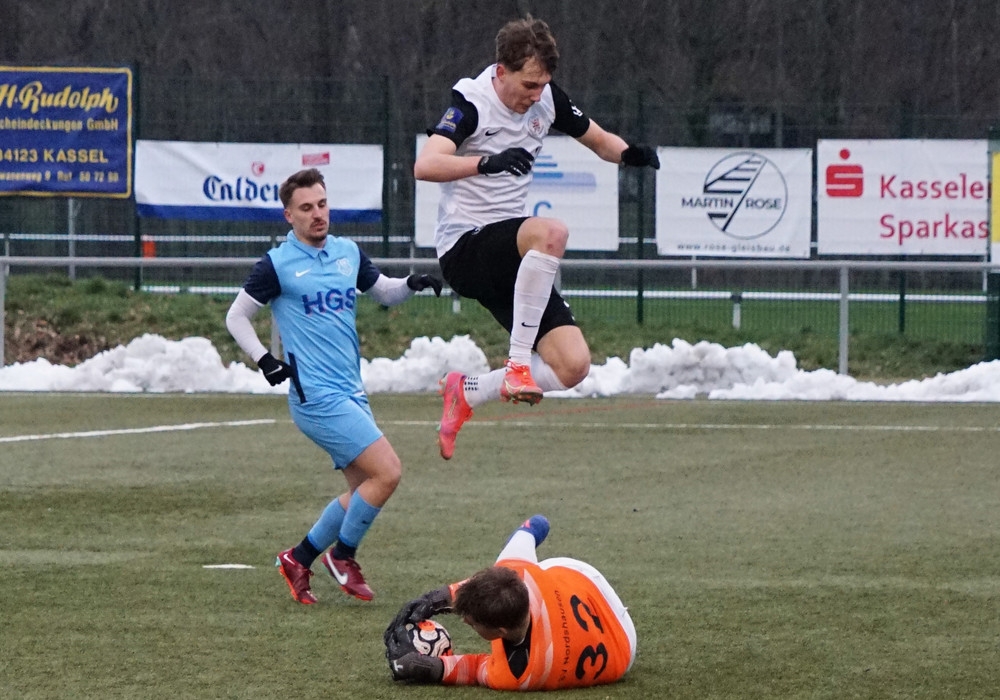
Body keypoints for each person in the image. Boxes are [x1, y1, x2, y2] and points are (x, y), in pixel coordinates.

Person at [414, 16, 660, 460]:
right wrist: (484, 163)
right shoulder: (471, 104)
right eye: (528, 84)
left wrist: (631, 154)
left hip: (512, 256)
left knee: (573, 366)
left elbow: (599, 140)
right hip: (465, 248)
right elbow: (425, 165)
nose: (535, 95)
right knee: (552, 232)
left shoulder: (546, 99)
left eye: (543, 84)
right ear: (501, 71)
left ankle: (466, 390)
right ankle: (517, 365)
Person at [225, 167, 442, 604]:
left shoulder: (347, 252)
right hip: (316, 397)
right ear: (289, 215)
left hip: (351, 392)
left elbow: (383, 292)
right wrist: (264, 359)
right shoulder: (277, 264)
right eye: (306, 208)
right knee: (388, 471)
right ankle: (342, 556)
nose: (317, 214)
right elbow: (237, 316)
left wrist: (411, 283)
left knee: (362, 489)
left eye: (322, 204)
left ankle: (298, 558)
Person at [383, 515, 637, 690]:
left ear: (500, 631)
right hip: (619, 638)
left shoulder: (519, 675)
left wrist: (427, 667)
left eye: (473, 622)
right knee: (520, 562)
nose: (465, 620)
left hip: (623, 648)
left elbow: (474, 669)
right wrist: (439, 597)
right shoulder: (522, 577)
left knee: (517, 566)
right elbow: (537, 525)